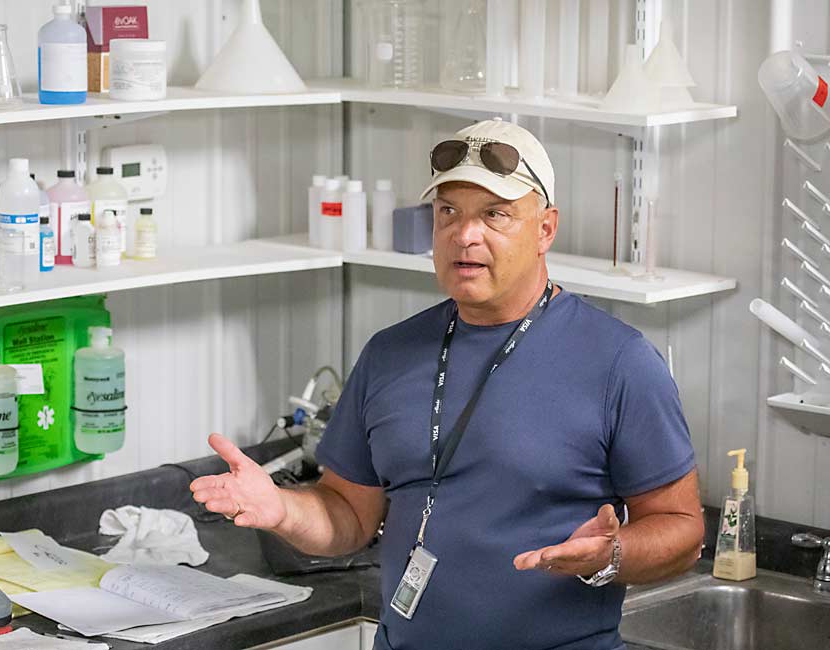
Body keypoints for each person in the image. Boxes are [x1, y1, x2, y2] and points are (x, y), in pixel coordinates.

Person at [190, 118, 704, 650]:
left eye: (495, 214)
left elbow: (682, 530)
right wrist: (281, 509)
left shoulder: (619, 361)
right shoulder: (389, 354)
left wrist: (610, 556)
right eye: (448, 213)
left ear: (546, 229)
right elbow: (347, 515)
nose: (465, 234)